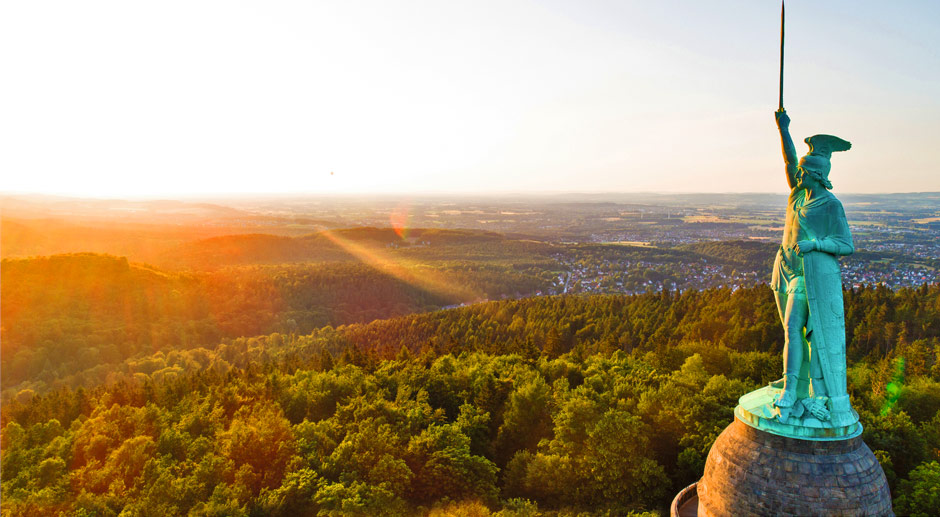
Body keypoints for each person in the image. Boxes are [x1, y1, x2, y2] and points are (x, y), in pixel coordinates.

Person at [771, 109, 854, 424]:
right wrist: (784, 130)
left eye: (805, 171)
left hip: (811, 278)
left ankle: (793, 391)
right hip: (788, 271)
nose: (798, 174)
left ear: (817, 175)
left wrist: (816, 244)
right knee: (791, 330)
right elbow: (790, 161)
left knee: (797, 329)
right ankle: (793, 382)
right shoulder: (797, 195)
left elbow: (846, 244)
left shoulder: (831, 205)